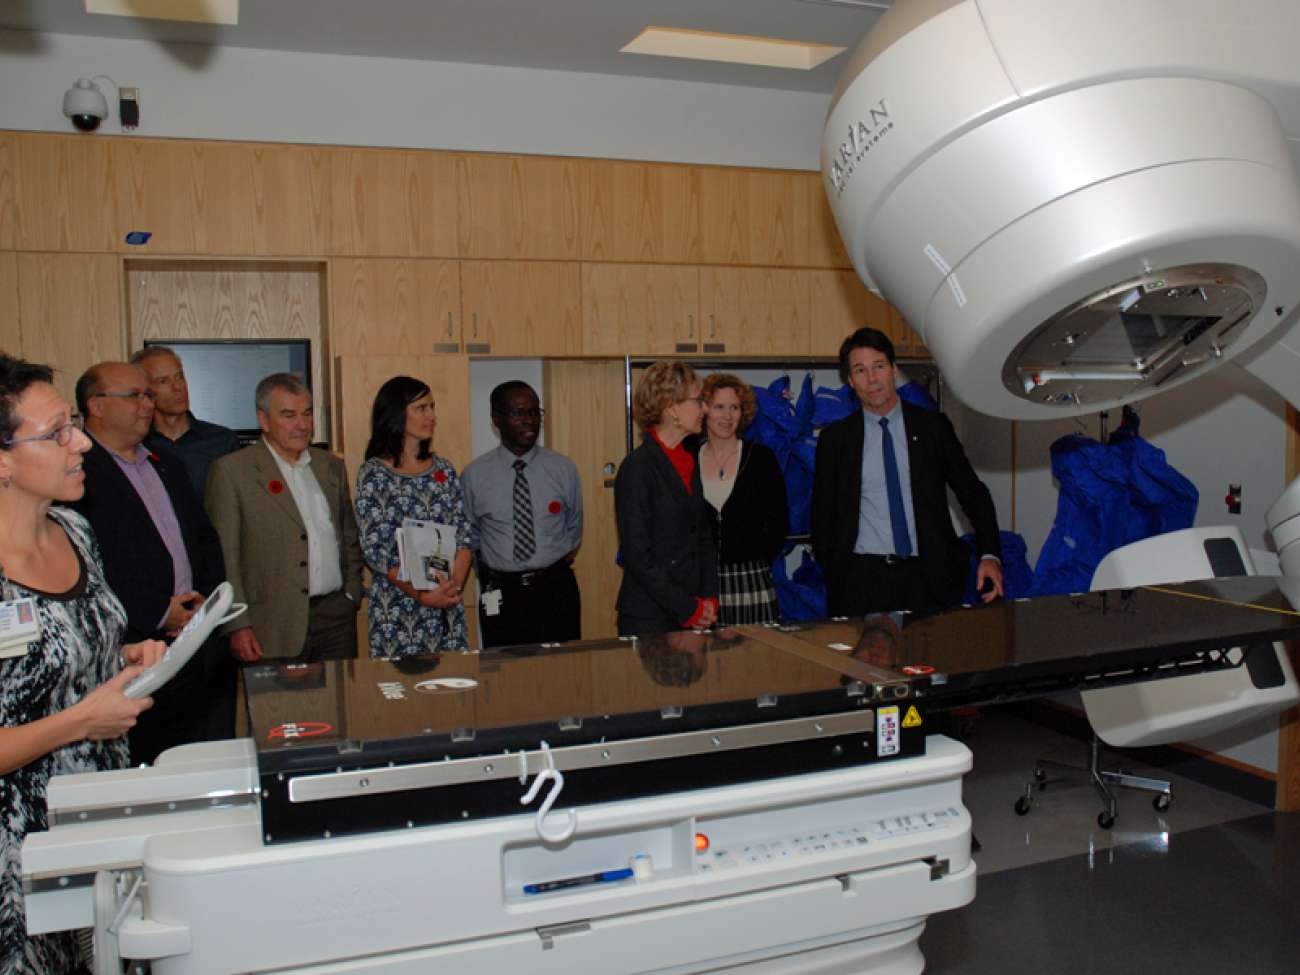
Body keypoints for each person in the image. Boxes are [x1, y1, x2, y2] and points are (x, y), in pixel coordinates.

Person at [0, 354, 164, 970]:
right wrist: (78, 722)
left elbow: (71, 647)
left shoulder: (75, 531)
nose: (81, 445)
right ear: (3, 460)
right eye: (56, 433)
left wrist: (127, 656)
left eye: (73, 426)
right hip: (17, 850)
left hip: (96, 816)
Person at [70, 361, 227, 763]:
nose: (147, 405)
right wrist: (159, 612)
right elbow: (89, 568)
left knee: (199, 758)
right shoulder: (76, 474)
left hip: (194, 642)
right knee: (148, 764)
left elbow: (204, 539)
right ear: (98, 406)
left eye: (148, 395)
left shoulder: (163, 461)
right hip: (131, 651)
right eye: (135, 396)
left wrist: (202, 607)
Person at [812, 327, 1003, 617]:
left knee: (931, 662)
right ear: (851, 381)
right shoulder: (836, 440)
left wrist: (990, 553)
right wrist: (835, 569)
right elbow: (822, 514)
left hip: (928, 578)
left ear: (894, 370)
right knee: (863, 665)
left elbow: (972, 492)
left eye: (878, 367)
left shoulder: (932, 428)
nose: (872, 379)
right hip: (861, 581)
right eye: (860, 371)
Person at [206, 373, 364, 662]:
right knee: (281, 707)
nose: (302, 425)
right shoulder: (232, 472)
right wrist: (237, 625)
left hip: (336, 619)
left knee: (340, 707)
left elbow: (348, 535)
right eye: (289, 415)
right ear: (263, 420)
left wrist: (352, 593)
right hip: (271, 625)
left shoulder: (330, 466)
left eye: (307, 413)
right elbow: (225, 558)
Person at [354, 376, 473, 656]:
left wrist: (449, 589)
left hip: (446, 606)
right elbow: (376, 551)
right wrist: (421, 595)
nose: (431, 416)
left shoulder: (444, 469)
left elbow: (464, 537)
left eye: (432, 407)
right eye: (421, 408)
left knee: (451, 693)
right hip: (396, 609)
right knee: (399, 693)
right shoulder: (373, 474)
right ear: (397, 413)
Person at [461, 381, 583, 647]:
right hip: (502, 592)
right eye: (519, 413)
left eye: (534, 412)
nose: (529, 420)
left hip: (556, 588)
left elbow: (574, 528)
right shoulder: (474, 475)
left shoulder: (563, 469)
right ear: (497, 420)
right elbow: (471, 536)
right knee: (506, 676)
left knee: (565, 672)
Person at [614, 361, 719, 636]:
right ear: (671, 407)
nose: (705, 409)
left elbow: (703, 537)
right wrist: (688, 608)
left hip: (694, 609)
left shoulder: (688, 460)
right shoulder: (637, 469)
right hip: (651, 617)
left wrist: (708, 598)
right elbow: (638, 556)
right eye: (699, 401)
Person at [697, 373, 788, 625]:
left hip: (751, 582)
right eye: (719, 407)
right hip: (700, 588)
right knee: (702, 662)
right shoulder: (688, 458)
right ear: (704, 409)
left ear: (743, 411)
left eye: (734, 407)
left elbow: (779, 523)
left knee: (754, 662)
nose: (727, 416)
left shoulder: (762, 458)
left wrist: (756, 560)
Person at [133, 345, 242, 504]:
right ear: (143, 391)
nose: (177, 387)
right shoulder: (136, 445)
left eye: (179, 376)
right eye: (163, 381)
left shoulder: (222, 441)